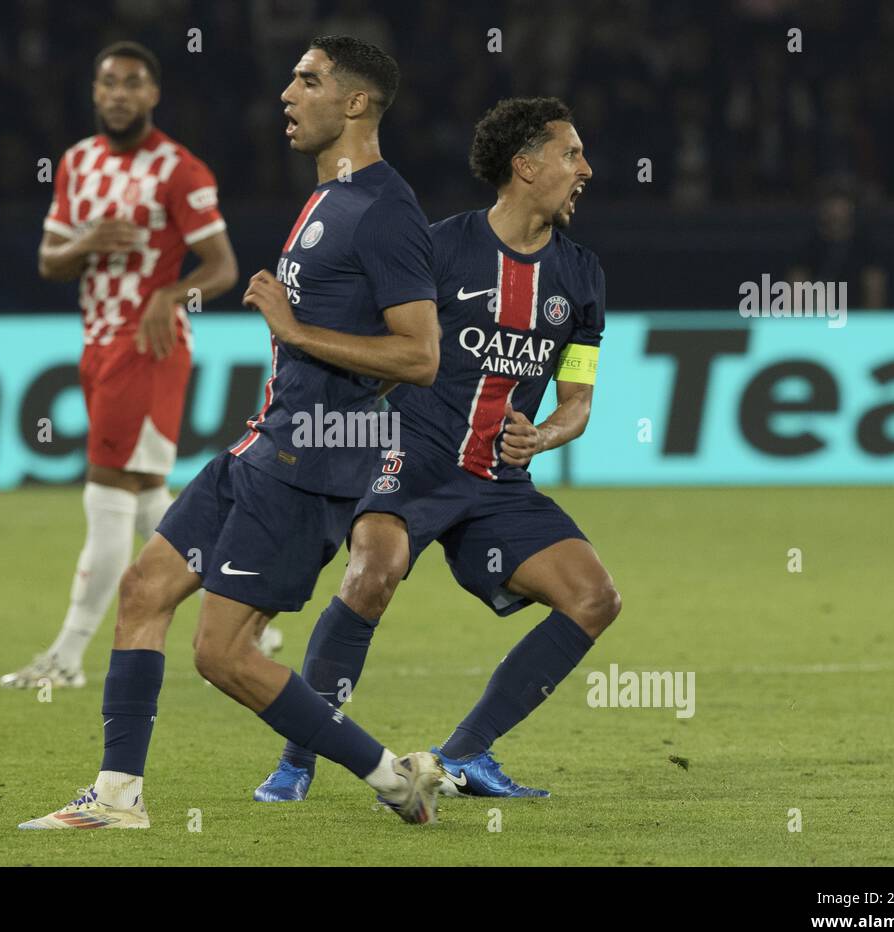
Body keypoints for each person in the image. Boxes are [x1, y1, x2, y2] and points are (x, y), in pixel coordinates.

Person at [21, 36, 445, 829]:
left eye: (308, 81)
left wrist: (292, 327)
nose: (286, 93)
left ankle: (391, 777)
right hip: (265, 443)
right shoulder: (327, 196)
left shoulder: (384, 210)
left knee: (221, 655)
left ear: (355, 103)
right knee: (143, 590)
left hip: (307, 465)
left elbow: (420, 353)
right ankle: (117, 797)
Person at [253, 97, 621, 802]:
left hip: (499, 479)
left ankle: (464, 757)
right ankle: (297, 761)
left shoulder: (581, 277)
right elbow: (385, 347)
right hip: (413, 454)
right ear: (526, 165)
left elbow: (577, 402)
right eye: (572, 155)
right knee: (372, 574)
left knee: (593, 598)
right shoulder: (439, 247)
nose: (587, 170)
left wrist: (540, 435)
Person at [0, 42, 284, 691]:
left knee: (106, 495)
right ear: (95, 92)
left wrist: (168, 294)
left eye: (133, 83)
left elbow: (222, 267)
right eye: (108, 83)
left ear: (153, 94)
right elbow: (49, 261)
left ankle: (67, 656)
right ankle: (250, 604)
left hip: (147, 345)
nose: (119, 94)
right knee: (150, 498)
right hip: (97, 341)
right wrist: (87, 242)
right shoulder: (76, 163)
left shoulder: (178, 170)